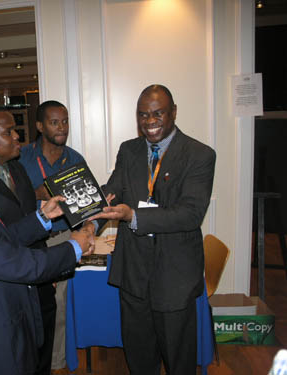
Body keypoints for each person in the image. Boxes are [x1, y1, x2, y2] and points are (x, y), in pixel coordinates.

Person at [0, 125, 95, 375]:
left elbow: (2, 242)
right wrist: (74, 247)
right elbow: (22, 265)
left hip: (7, 324)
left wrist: (42, 217)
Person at [90, 84, 216, 375]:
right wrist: (89, 217)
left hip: (175, 276)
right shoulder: (129, 149)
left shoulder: (199, 154)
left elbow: (190, 214)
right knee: (139, 354)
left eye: (157, 113)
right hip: (133, 270)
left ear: (173, 112)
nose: (149, 122)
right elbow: (113, 190)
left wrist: (134, 216)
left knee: (178, 358)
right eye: (143, 115)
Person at [19, 100, 86, 370]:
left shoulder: (75, 159)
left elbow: (83, 205)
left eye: (65, 121)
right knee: (33, 306)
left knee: (59, 305)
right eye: (54, 122)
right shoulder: (21, 158)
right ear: (39, 126)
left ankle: (56, 363)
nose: (62, 127)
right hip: (31, 241)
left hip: (63, 237)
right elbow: (11, 201)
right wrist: (38, 194)